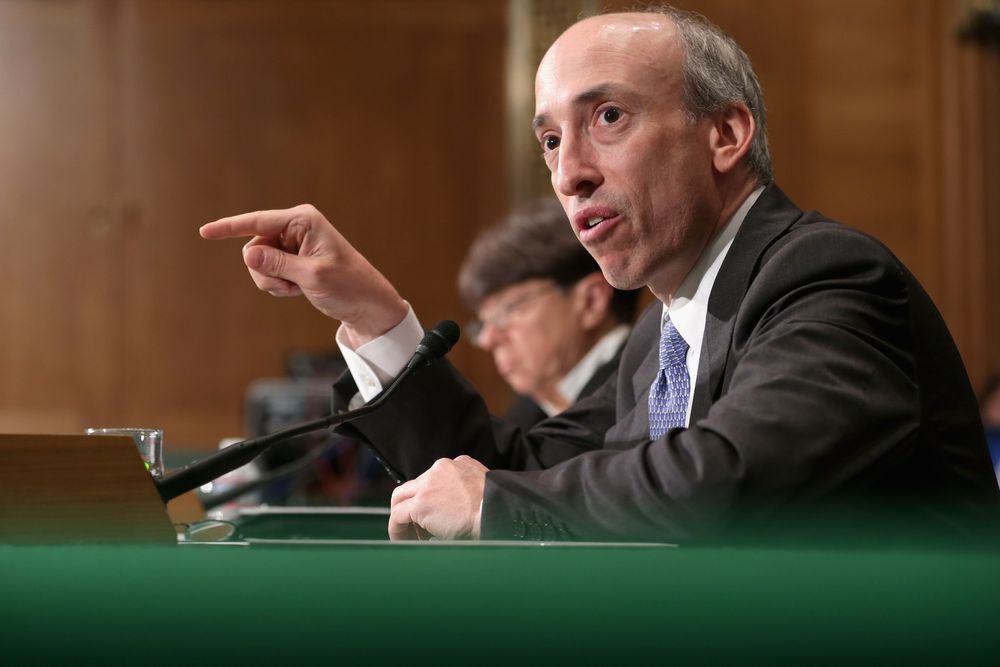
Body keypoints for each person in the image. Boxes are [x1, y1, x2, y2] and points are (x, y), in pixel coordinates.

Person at [200, 6, 999, 544]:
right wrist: (377, 319)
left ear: (725, 133)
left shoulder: (827, 279)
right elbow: (516, 469)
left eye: (606, 118)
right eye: (550, 140)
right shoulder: (666, 327)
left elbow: (726, 484)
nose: (569, 173)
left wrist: (496, 507)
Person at [457, 198, 638, 430]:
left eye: (509, 309)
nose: (487, 339)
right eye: (484, 323)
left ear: (591, 302)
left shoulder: (645, 391)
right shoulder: (526, 414)